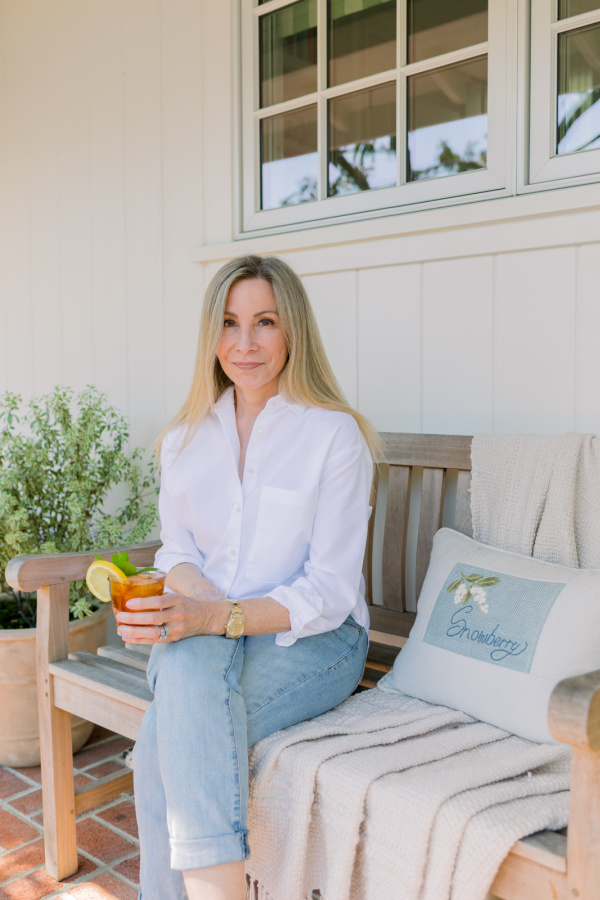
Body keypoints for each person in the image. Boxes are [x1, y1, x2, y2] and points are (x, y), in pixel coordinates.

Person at [115, 255, 379, 900]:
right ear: (211, 335)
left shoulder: (334, 436)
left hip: (315, 639)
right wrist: (202, 609)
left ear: (293, 330)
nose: (246, 343)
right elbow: (176, 550)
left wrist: (216, 618)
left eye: (265, 321)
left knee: (164, 745)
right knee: (177, 714)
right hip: (211, 630)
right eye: (229, 323)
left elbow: (329, 591)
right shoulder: (183, 438)